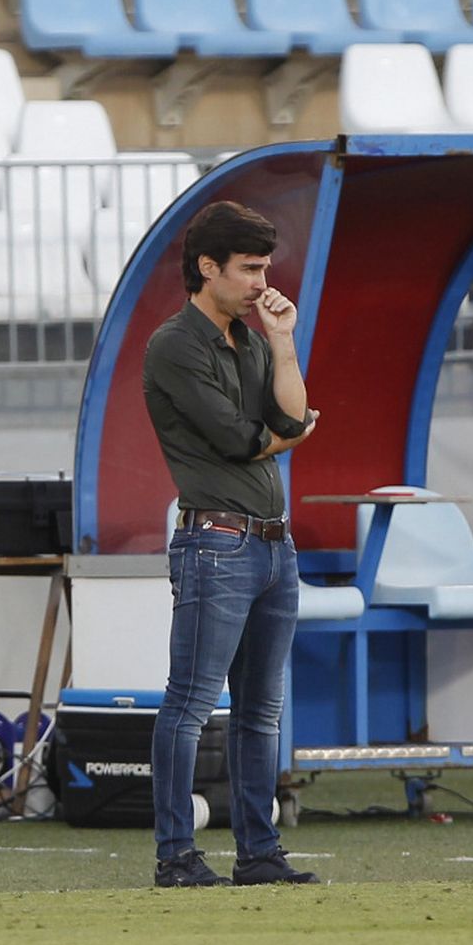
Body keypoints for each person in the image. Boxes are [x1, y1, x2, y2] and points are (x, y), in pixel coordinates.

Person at [142, 200, 322, 888]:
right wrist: (294, 432)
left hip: (273, 544)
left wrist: (282, 343)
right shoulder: (174, 344)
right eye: (248, 269)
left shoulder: (249, 340)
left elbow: (283, 410)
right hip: (215, 541)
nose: (261, 283)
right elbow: (250, 439)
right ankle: (176, 854)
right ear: (207, 267)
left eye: (264, 267)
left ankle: (259, 852)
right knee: (190, 702)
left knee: (261, 709)